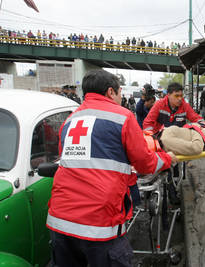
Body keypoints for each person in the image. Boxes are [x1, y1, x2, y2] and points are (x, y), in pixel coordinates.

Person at [46, 69, 177, 267]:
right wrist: (167, 159)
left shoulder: (70, 120)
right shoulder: (122, 116)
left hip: (60, 221)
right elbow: (145, 163)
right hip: (99, 223)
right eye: (119, 92)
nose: (121, 97)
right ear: (110, 92)